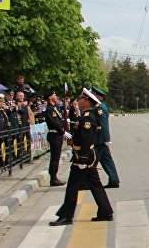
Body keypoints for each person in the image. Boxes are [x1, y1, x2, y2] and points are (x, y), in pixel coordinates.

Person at [49, 89, 114, 226]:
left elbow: (86, 139)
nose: (78, 102)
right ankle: (105, 212)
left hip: (83, 157)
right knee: (96, 185)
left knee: (72, 187)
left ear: (86, 102)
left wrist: (83, 157)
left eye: (80, 100)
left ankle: (66, 216)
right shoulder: (87, 115)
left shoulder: (87, 117)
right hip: (86, 156)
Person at [90, 86, 120, 188]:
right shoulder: (98, 106)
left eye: (93, 94)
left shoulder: (99, 108)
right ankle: (114, 180)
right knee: (106, 160)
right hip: (101, 139)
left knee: (92, 160)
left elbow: (103, 125)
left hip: (99, 140)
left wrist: (105, 139)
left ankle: (88, 182)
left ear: (97, 95)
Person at [43, 90, 66, 186]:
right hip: (55, 135)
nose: (56, 96)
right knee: (55, 157)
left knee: (57, 156)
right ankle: (53, 178)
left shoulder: (54, 108)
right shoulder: (50, 109)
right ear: (49, 98)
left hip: (57, 135)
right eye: (54, 95)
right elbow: (55, 123)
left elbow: (59, 120)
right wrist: (62, 131)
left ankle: (54, 176)